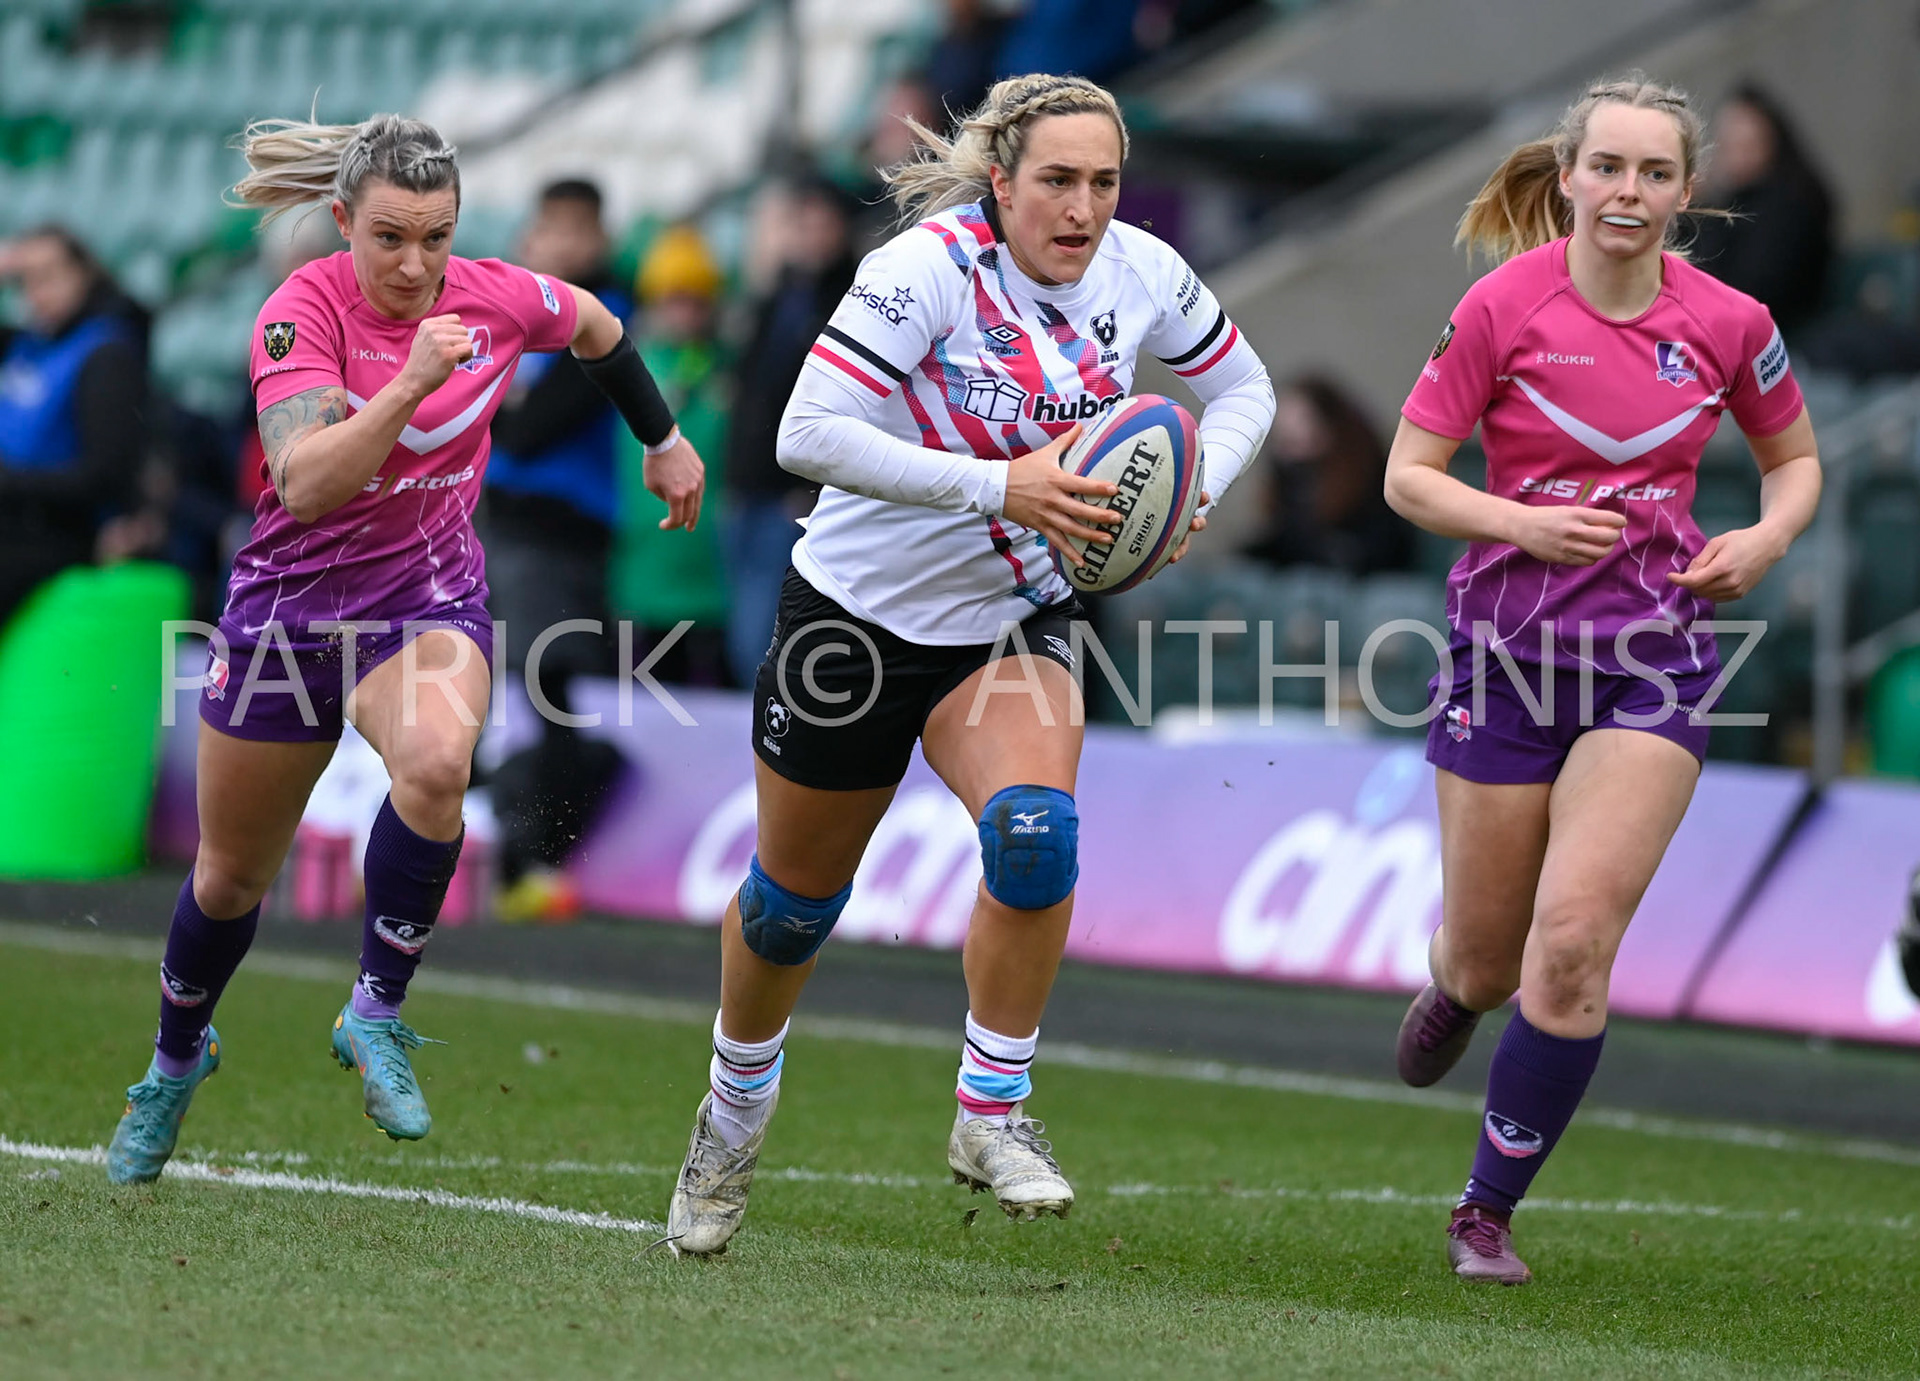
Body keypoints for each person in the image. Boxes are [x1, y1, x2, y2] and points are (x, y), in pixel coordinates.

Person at [663, 72, 1275, 1256]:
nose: (1083, 208)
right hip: (853, 621)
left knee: (1036, 835)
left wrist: (1197, 478)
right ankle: (732, 1112)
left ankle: (992, 1109)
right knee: (789, 910)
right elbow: (805, 433)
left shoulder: (1145, 272)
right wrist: (1005, 486)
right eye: (1057, 180)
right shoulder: (925, 271)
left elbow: (1242, 387)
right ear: (1001, 180)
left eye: (1104, 182)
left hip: (1009, 620)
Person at [103, 113, 706, 1184]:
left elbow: (598, 325)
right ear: (344, 222)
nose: (416, 265)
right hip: (288, 620)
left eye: (436, 237)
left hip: (425, 603)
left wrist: (661, 440)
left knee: (436, 764)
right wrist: (410, 382)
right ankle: (175, 1058)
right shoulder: (299, 313)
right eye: (389, 237)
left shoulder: (497, 295)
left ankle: (375, 1010)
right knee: (231, 878)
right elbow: (305, 484)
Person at [1383, 75, 1821, 1284]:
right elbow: (1410, 476)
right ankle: (1453, 979)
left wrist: (1767, 538)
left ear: (1688, 191)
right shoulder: (1500, 305)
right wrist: (1520, 524)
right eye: (1610, 168)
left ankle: (1485, 1210)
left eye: (1655, 173)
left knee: (1571, 944)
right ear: (1570, 176)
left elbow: (1794, 462)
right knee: (1490, 962)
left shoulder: (1731, 321)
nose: (1629, 191)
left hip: (1653, 662)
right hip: (1506, 661)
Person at [482, 179, 632, 922]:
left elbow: (528, 427)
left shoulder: (605, 317)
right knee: (479, 680)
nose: (563, 244)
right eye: (551, 229)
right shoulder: (517, 318)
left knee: (547, 686)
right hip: (495, 522)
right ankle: (487, 849)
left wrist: (502, 404)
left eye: (578, 230)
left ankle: (539, 856)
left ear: (600, 240)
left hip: (560, 530)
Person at [721, 173, 858, 685]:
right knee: (743, 623)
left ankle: (770, 718)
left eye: (823, 224)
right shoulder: (775, 295)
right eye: (803, 223)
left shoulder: (850, 302)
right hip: (747, 487)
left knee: (767, 630)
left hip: (793, 496)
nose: (810, 236)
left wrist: (811, 488)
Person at [0, 226, 151, 629]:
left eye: (49, 276)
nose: (37, 292)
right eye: (25, 280)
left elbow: (104, 477)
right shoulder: (25, 344)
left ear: (82, 273)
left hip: (58, 534)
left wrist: (9, 482)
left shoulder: (106, 354)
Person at [616, 223, 732, 685]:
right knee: (646, 686)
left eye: (696, 301)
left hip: (712, 562)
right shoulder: (630, 367)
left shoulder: (725, 369)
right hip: (643, 558)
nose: (685, 313)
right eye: (674, 299)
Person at [1688, 84, 1834, 340]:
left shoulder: (1789, 202)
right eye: (1727, 145)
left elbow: (1751, 288)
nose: (1735, 155)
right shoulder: (1730, 199)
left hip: (1781, 337)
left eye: (1746, 144)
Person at [1241, 374, 1413, 576]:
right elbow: (1281, 543)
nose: (1288, 447)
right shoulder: (1289, 480)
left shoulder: (1369, 486)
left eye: (1302, 422)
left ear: (1329, 429)